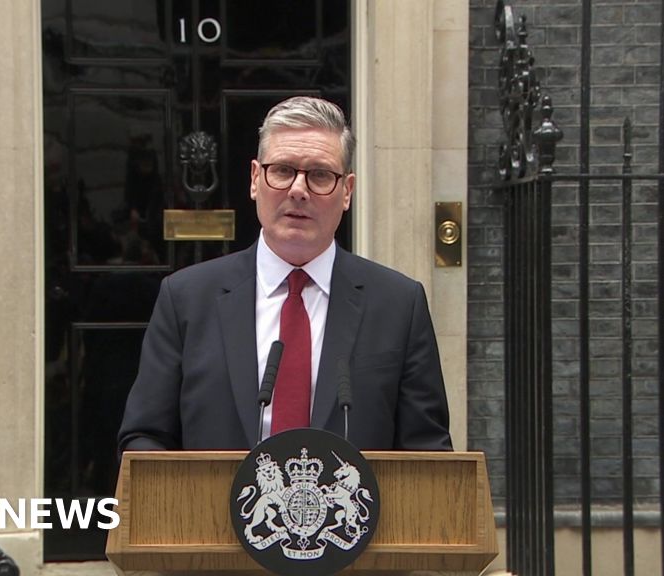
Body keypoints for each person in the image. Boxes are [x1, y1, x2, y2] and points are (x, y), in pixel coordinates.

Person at [117, 96, 451, 452]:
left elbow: (428, 455)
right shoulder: (185, 298)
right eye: (282, 171)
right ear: (255, 180)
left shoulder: (399, 305)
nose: (298, 190)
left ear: (347, 192)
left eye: (320, 175)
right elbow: (144, 437)